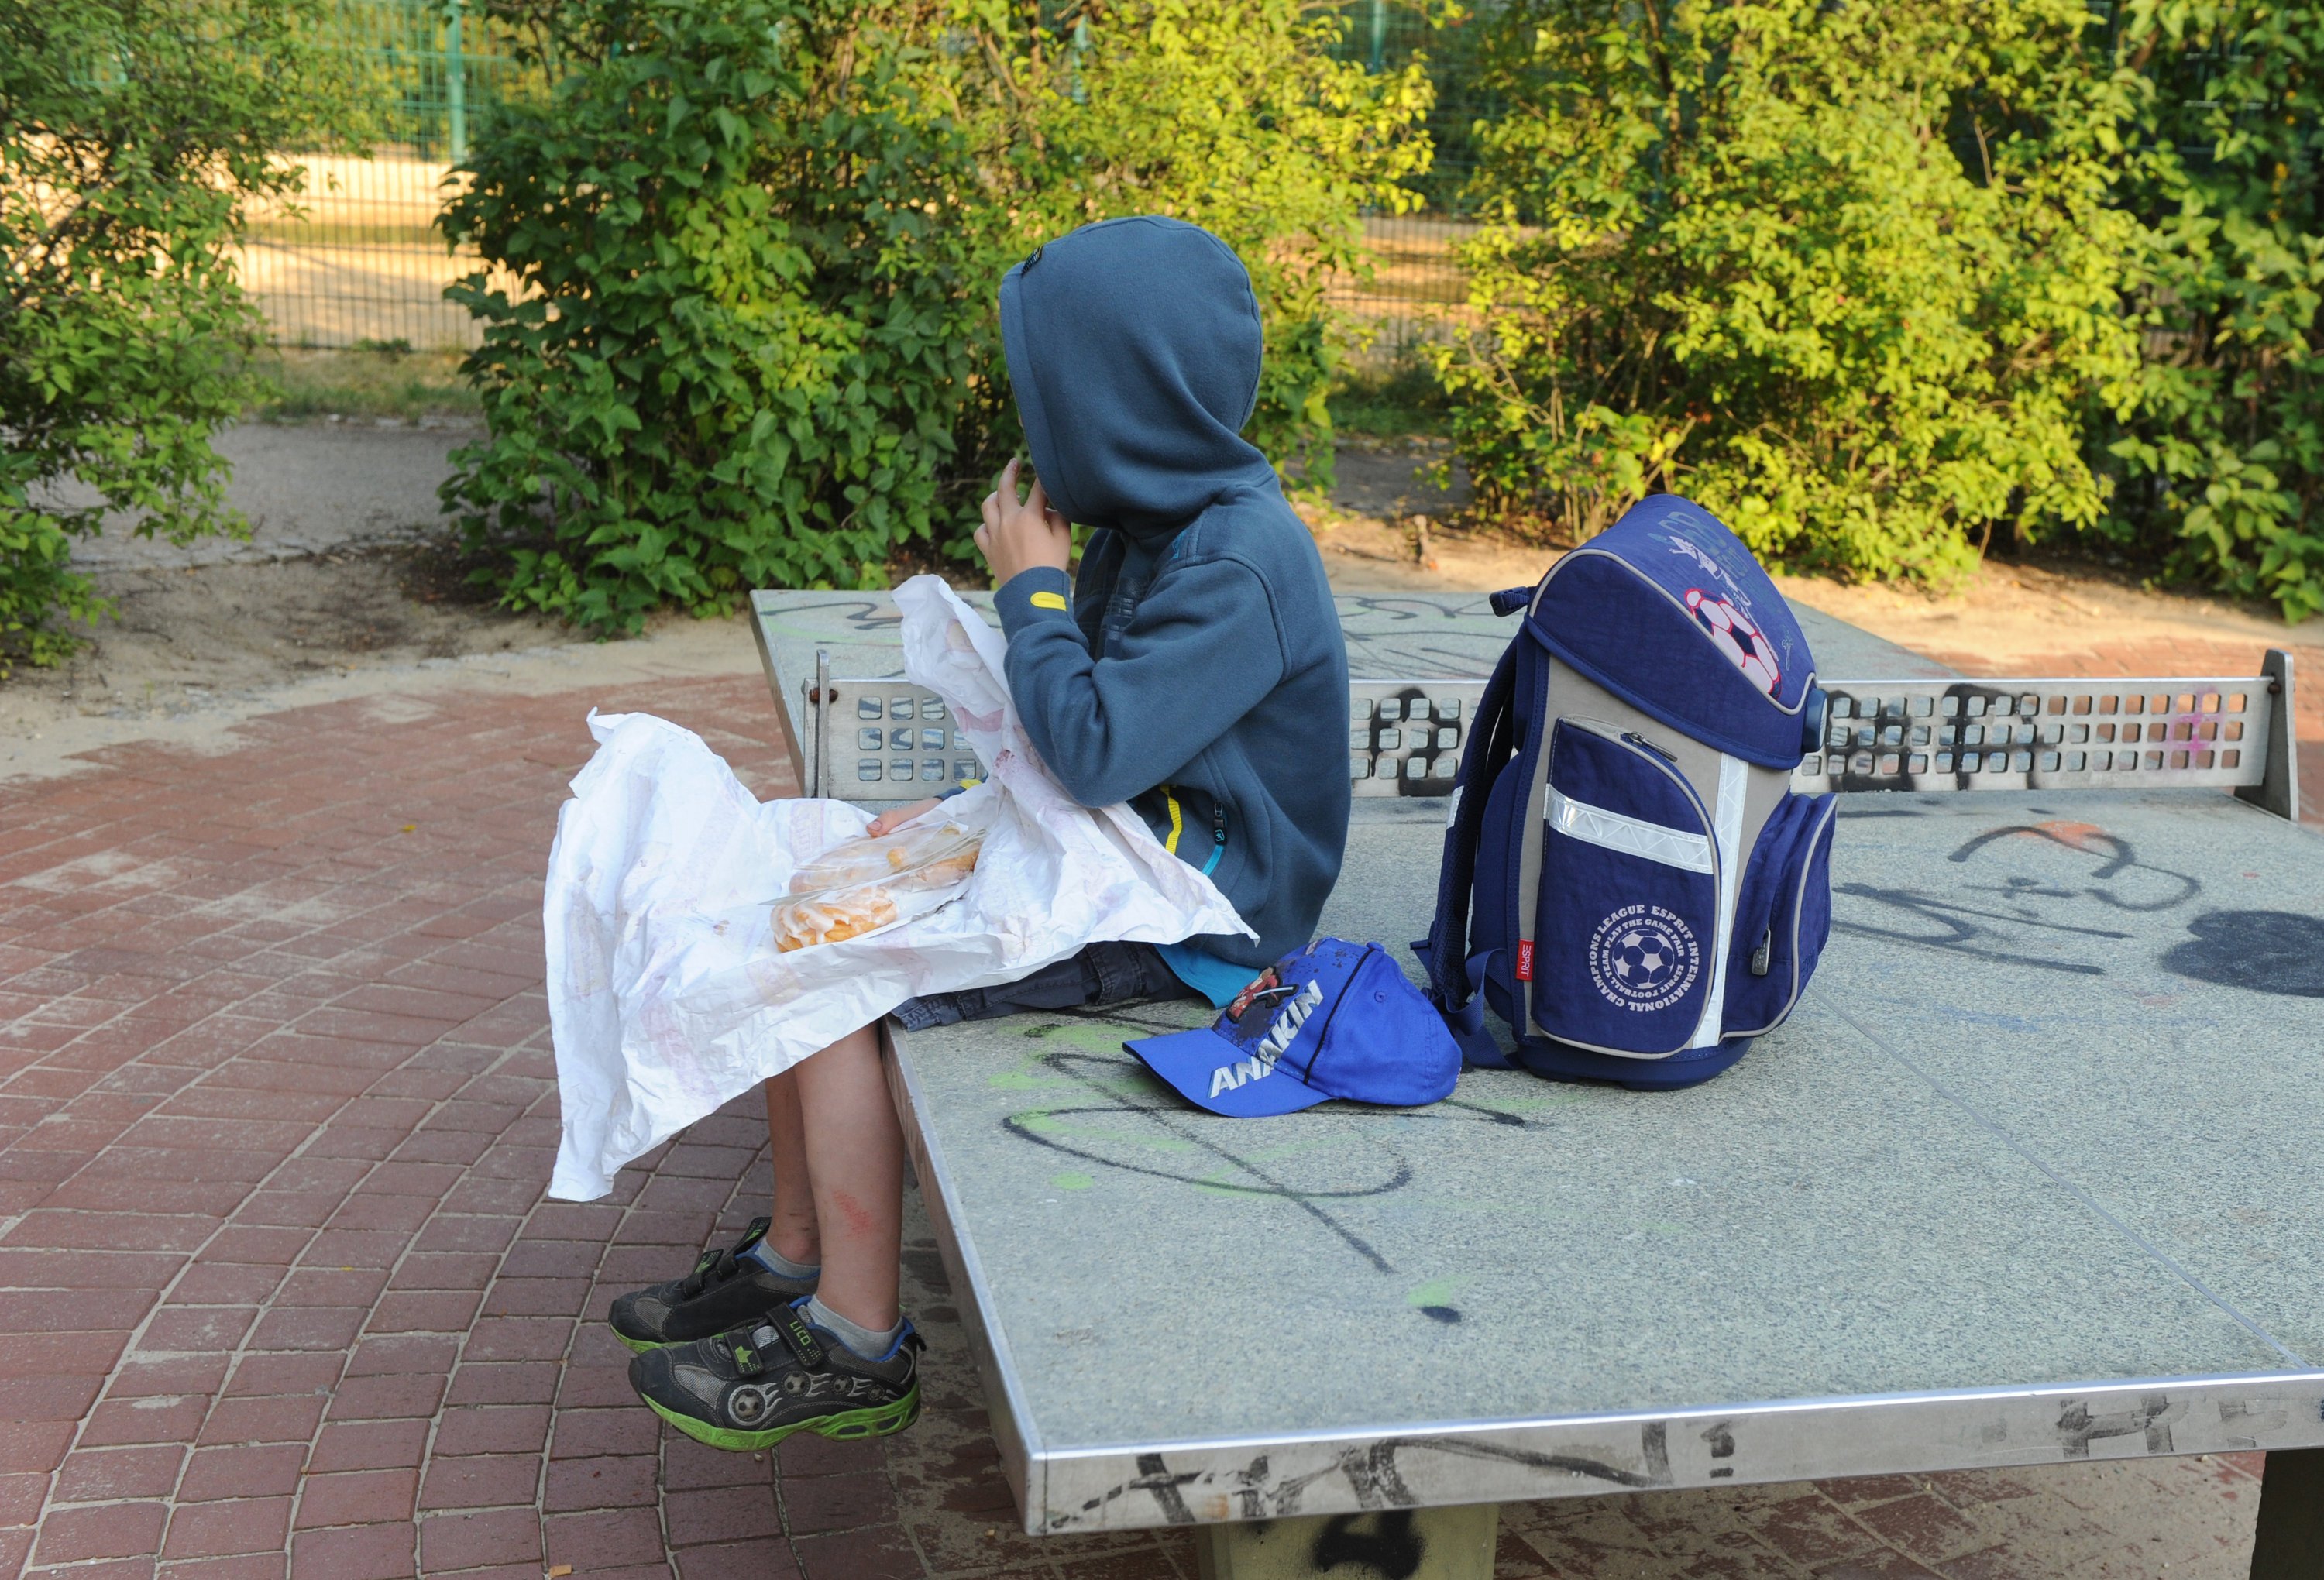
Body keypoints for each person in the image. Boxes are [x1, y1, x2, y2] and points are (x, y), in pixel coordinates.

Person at [617, 215, 1353, 1451]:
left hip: (1205, 916)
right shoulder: (1153, 525)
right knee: (812, 895)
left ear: (1124, 401)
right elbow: (1089, 752)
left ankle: (856, 1340)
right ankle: (796, 1254)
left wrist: (1031, 591)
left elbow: (1100, 746)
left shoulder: (1242, 565)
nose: (1032, 431)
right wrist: (963, 819)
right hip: (1122, 855)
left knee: (846, 984)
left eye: (1049, 400)